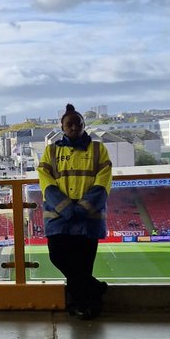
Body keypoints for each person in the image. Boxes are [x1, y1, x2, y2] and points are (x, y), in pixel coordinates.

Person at [38, 104, 112, 319]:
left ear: (83, 125)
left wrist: (82, 208)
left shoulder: (98, 149)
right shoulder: (51, 151)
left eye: (77, 123)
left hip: (88, 218)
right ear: (62, 127)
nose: (73, 127)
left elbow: (103, 181)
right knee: (58, 257)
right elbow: (46, 181)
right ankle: (95, 289)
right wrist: (66, 208)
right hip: (59, 217)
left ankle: (86, 305)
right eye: (69, 124)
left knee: (83, 264)